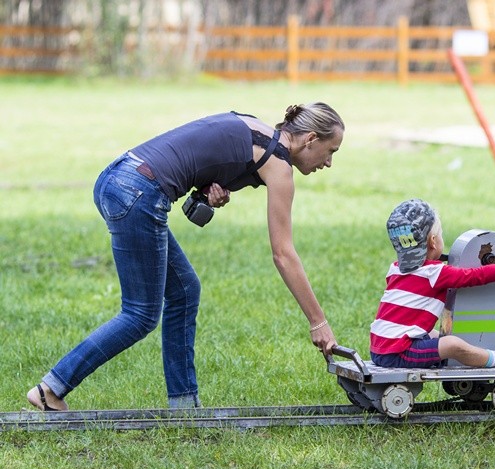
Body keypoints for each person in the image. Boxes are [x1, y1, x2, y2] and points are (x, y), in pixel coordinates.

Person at [27, 103, 344, 411]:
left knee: (184, 291)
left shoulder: (254, 128)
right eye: (331, 152)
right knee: (140, 314)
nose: (328, 163)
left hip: (118, 177)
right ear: (311, 139)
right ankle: (50, 389)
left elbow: (204, 151)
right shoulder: (278, 165)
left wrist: (208, 190)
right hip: (139, 192)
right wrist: (319, 322)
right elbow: (283, 254)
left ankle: (183, 405)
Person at [370, 199, 495, 369]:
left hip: (380, 349)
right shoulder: (435, 273)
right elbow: (477, 276)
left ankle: (467, 355)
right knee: (452, 344)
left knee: (439, 335)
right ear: (434, 241)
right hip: (400, 352)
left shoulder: (396, 269)